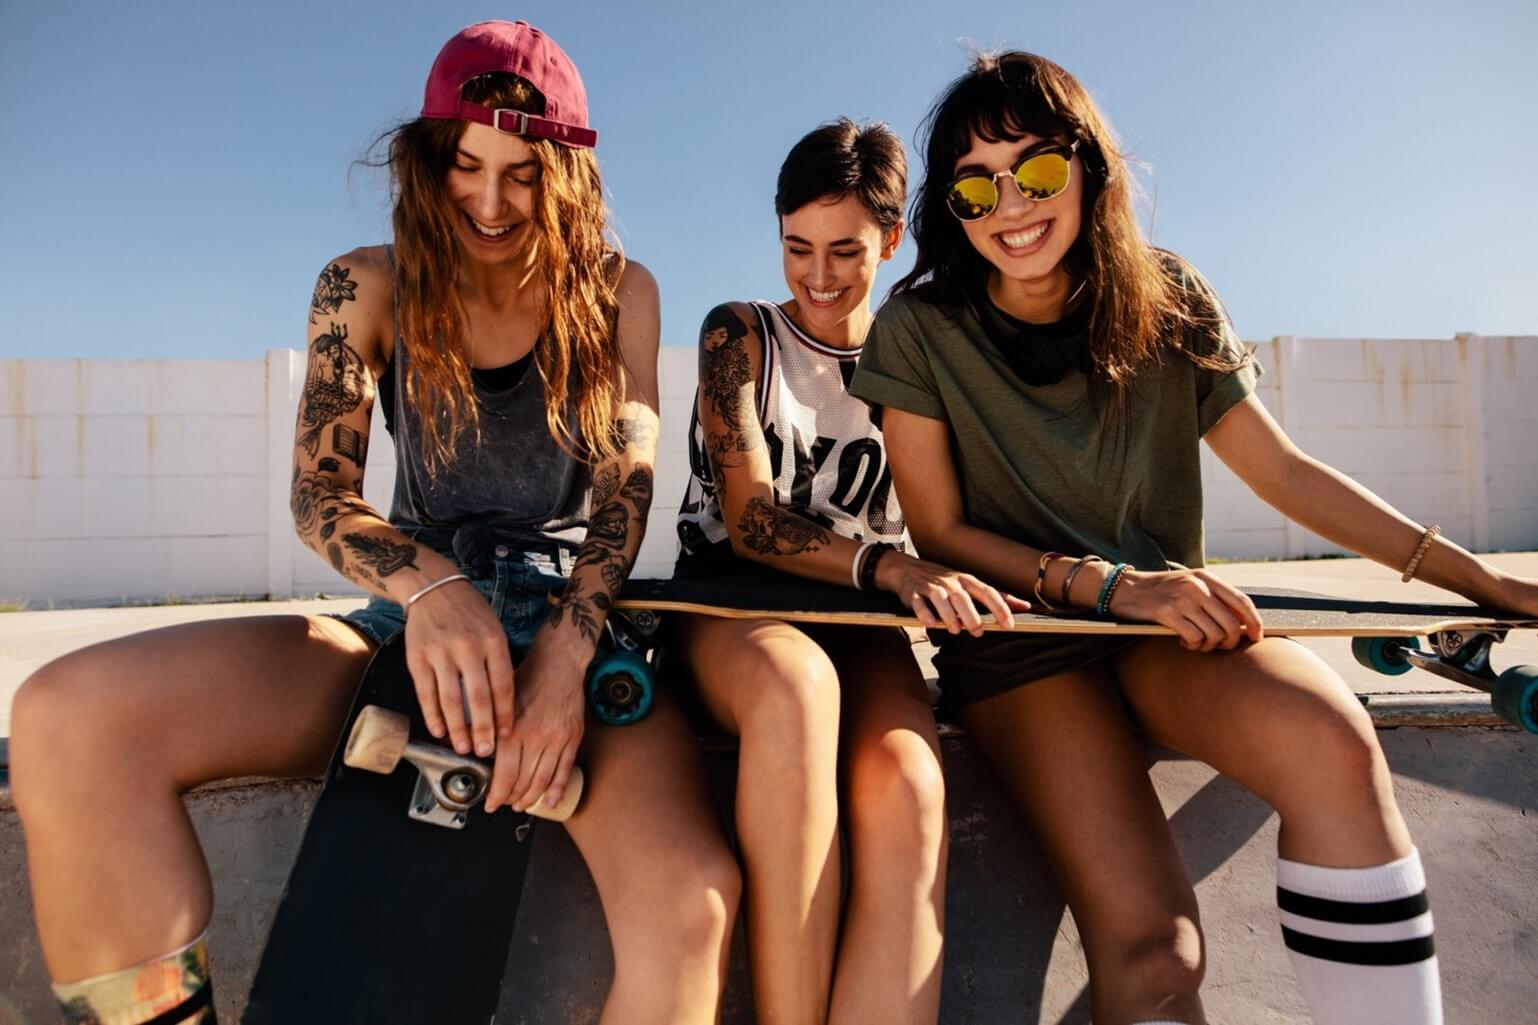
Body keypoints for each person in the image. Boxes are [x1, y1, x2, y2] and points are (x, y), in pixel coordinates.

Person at [10, 21, 739, 1025]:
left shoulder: (619, 289)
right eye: (463, 166)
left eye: (523, 174)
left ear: (566, 174)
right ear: (425, 159)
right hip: (406, 621)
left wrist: (566, 657)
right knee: (68, 718)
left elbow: (628, 479)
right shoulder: (365, 282)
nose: (488, 202)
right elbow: (320, 493)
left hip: (578, 628)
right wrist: (431, 587)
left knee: (691, 903)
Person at [849, 51, 1538, 1025]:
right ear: (950, 209)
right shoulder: (918, 328)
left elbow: (1285, 473)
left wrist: (1483, 582)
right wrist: (1108, 586)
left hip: (1170, 626)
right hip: (1020, 645)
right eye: (974, 185)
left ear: (1089, 166)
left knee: (1332, 738)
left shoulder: (1166, 296)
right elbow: (943, 532)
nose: (1009, 204)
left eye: (1037, 169)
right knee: (1157, 955)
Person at [672, 118, 1020, 1025]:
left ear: (893, 239)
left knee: (910, 785)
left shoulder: (922, 360)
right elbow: (749, 522)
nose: (818, 276)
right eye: (797, 248)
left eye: (846, 251)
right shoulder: (739, 335)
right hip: (732, 607)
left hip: (862, 624)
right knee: (796, 691)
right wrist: (894, 567)